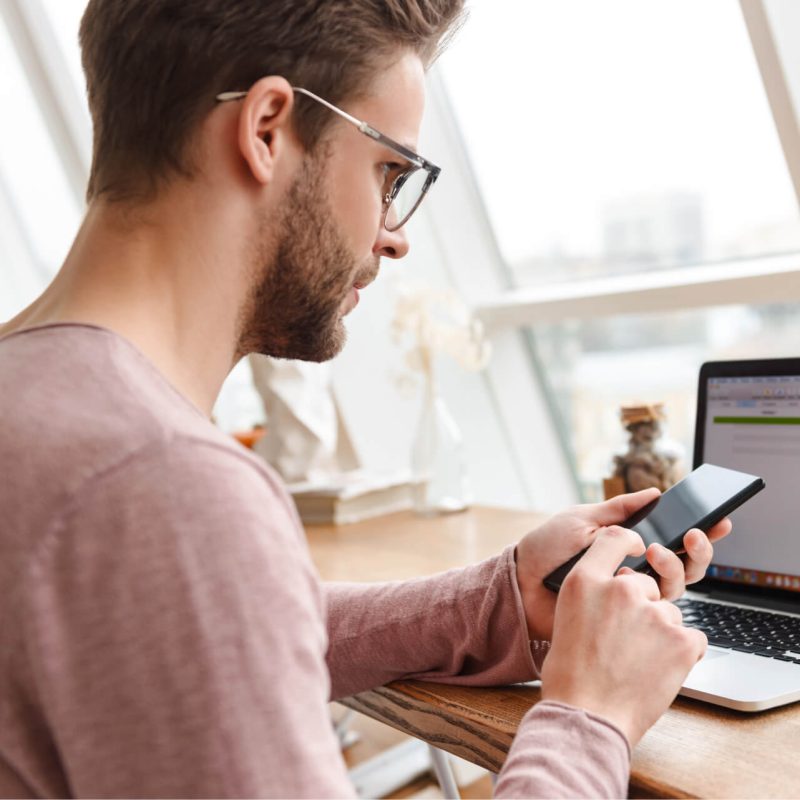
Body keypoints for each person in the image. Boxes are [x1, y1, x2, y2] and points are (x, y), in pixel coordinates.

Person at [0, 1, 730, 796]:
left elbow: (219, 633)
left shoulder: (38, 403)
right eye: (390, 172)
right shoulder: (162, 485)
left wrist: (503, 600)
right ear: (267, 128)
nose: (395, 234)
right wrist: (592, 717)